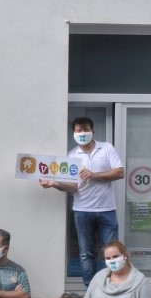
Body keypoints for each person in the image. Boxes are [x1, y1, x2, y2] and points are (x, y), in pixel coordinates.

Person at [40, 116, 124, 286]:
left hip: (107, 210)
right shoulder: (71, 157)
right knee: (86, 254)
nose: (82, 133)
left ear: (93, 131)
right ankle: (91, 290)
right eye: (79, 130)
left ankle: (111, 287)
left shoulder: (106, 148)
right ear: (73, 133)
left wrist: (94, 175)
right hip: (82, 210)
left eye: (86, 129)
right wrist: (54, 183)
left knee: (111, 252)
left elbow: (119, 172)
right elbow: (73, 187)